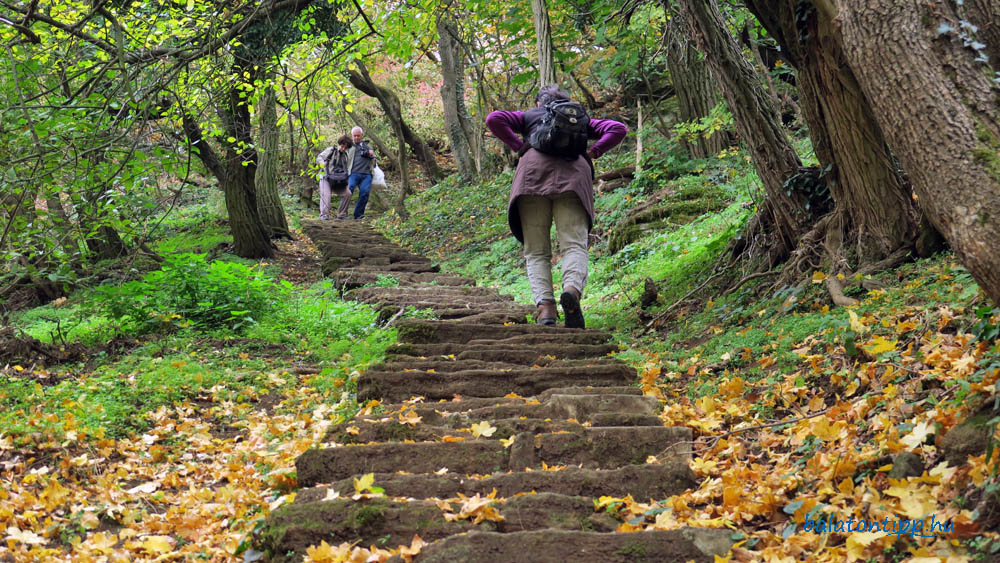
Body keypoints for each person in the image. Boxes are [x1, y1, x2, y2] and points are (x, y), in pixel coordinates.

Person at [486, 85, 627, 329]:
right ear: (567, 104)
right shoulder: (580, 119)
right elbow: (618, 128)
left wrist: (518, 146)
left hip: (531, 180)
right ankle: (571, 290)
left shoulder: (529, 116)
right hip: (573, 180)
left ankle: (546, 309)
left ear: (539, 104)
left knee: (537, 251)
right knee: (574, 244)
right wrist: (594, 152)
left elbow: (494, 119)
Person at [316, 135, 354, 220]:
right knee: (326, 195)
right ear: (340, 144)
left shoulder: (345, 156)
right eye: (343, 146)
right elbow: (319, 158)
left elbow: (346, 169)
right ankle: (324, 215)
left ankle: (342, 214)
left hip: (339, 180)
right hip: (326, 177)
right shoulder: (331, 150)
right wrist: (322, 163)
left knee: (348, 193)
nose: (344, 149)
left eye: (346, 147)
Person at [345, 126, 376, 220]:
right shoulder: (349, 146)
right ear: (352, 136)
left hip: (366, 174)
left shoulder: (368, 145)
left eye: (358, 136)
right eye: (354, 136)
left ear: (362, 135)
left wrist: (372, 154)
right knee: (348, 191)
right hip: (353, 173)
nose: (356, 138)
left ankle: (358, 214)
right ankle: (342, 213)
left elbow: (374, 158)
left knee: (365, 193)